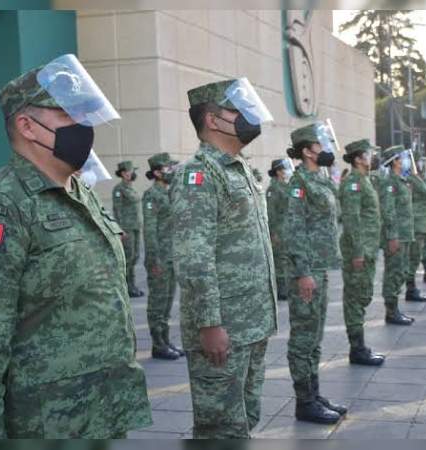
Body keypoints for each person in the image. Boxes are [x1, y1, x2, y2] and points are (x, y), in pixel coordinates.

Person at [0, 55, 152, 438]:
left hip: (101, 406)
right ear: (27, 126)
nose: (84, 127)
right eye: (70, 115)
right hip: (45, 419)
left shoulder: (78, 190)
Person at [171, 78, 277, 438]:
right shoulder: (198, 174)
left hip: (252, 321)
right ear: (213, 121)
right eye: (236, 110)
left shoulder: (240, 167)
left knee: (244, 419)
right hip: (225, 327)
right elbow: (193, 254)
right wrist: (209, 324)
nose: (247, 116)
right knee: (220, 428)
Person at [284, 122, 346, 424]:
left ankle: (314, 393)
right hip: (307, 271)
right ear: (308, 151)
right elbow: (293, 231)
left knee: (315, 336)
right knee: (303, 338)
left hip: (320, 267)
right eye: (320, 145)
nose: (325, 149)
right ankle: (304, 401)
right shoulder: (298, 184)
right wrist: (303, 272)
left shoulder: (318, 179)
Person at [339, 139, 386, 367]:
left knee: (362, 296)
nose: (372, 157)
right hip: (358, 251)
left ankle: (359, 346)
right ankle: (357, 348)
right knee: (355, 299)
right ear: (358, 158)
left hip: (367, 249)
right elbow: (351, 220)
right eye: (368, 154)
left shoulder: (364, 181)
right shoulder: (353, 183)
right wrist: (357, 252)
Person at [142, 152, 184, 360]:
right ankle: (158, 344)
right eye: (167, 169)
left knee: (167, 301)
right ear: (157, 172)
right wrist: (153, 259)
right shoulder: (152, 196)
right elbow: (149, 230)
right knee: (158, 303)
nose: (171, 172)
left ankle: (166, 340)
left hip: (171, 256)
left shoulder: (168, 192)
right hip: (159, 258)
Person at [378, 146, 416, 326]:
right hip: (396, 236)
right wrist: (392, 236)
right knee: (393, 273)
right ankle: (391, 311)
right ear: (394, 161)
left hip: (405, 233)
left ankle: (395, 309)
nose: (405, 160)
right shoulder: (389, 182)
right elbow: (388, 211)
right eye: (402, 158)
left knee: (401, 271)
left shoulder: (400, 180)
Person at [113, 160, 144, 298]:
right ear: (124, 173)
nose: (133, 174)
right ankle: (126, 287)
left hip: (136, 227)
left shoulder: (131, 188)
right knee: (128, 258)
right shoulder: (119, 189)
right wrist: (120, 229)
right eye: (131, 171)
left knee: (135, 256)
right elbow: (117, 210)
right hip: (127, 228)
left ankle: (132, 285)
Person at [405, 149, 426, 302]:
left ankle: (412, 287)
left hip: (420, 223)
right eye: (418, 161)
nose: (421, 164)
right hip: (414, 223)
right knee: (413, 258)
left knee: (415, 257)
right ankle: (410, 288)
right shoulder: (410, 179)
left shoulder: (416, 178)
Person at [266, 158, 293, 301]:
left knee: (286, 259)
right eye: (284, 169)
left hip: (287, 229)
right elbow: (271, 212)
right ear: (278, 172)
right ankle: (281, 290)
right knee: (280, 260)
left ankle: (286, 287)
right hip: (279, 230)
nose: (287, 172)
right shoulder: (274, 189)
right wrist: (273, 232)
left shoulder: (285, 186)